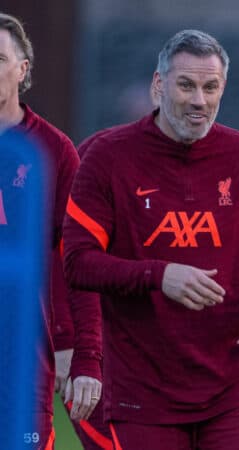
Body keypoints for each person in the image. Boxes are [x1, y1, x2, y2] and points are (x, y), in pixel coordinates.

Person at [62, 29, 239, 450]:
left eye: (211, 87)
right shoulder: (105, 156)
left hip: (232, 385)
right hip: (140, 392)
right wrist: (160, 275)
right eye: (186, 85)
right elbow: (78, 262)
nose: (199, 100)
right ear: (158, 85)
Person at [0, 12, 103, 449]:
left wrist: (72, 345)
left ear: (23, 69)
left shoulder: (53, 150)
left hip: (22, 352)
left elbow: (74, 259)